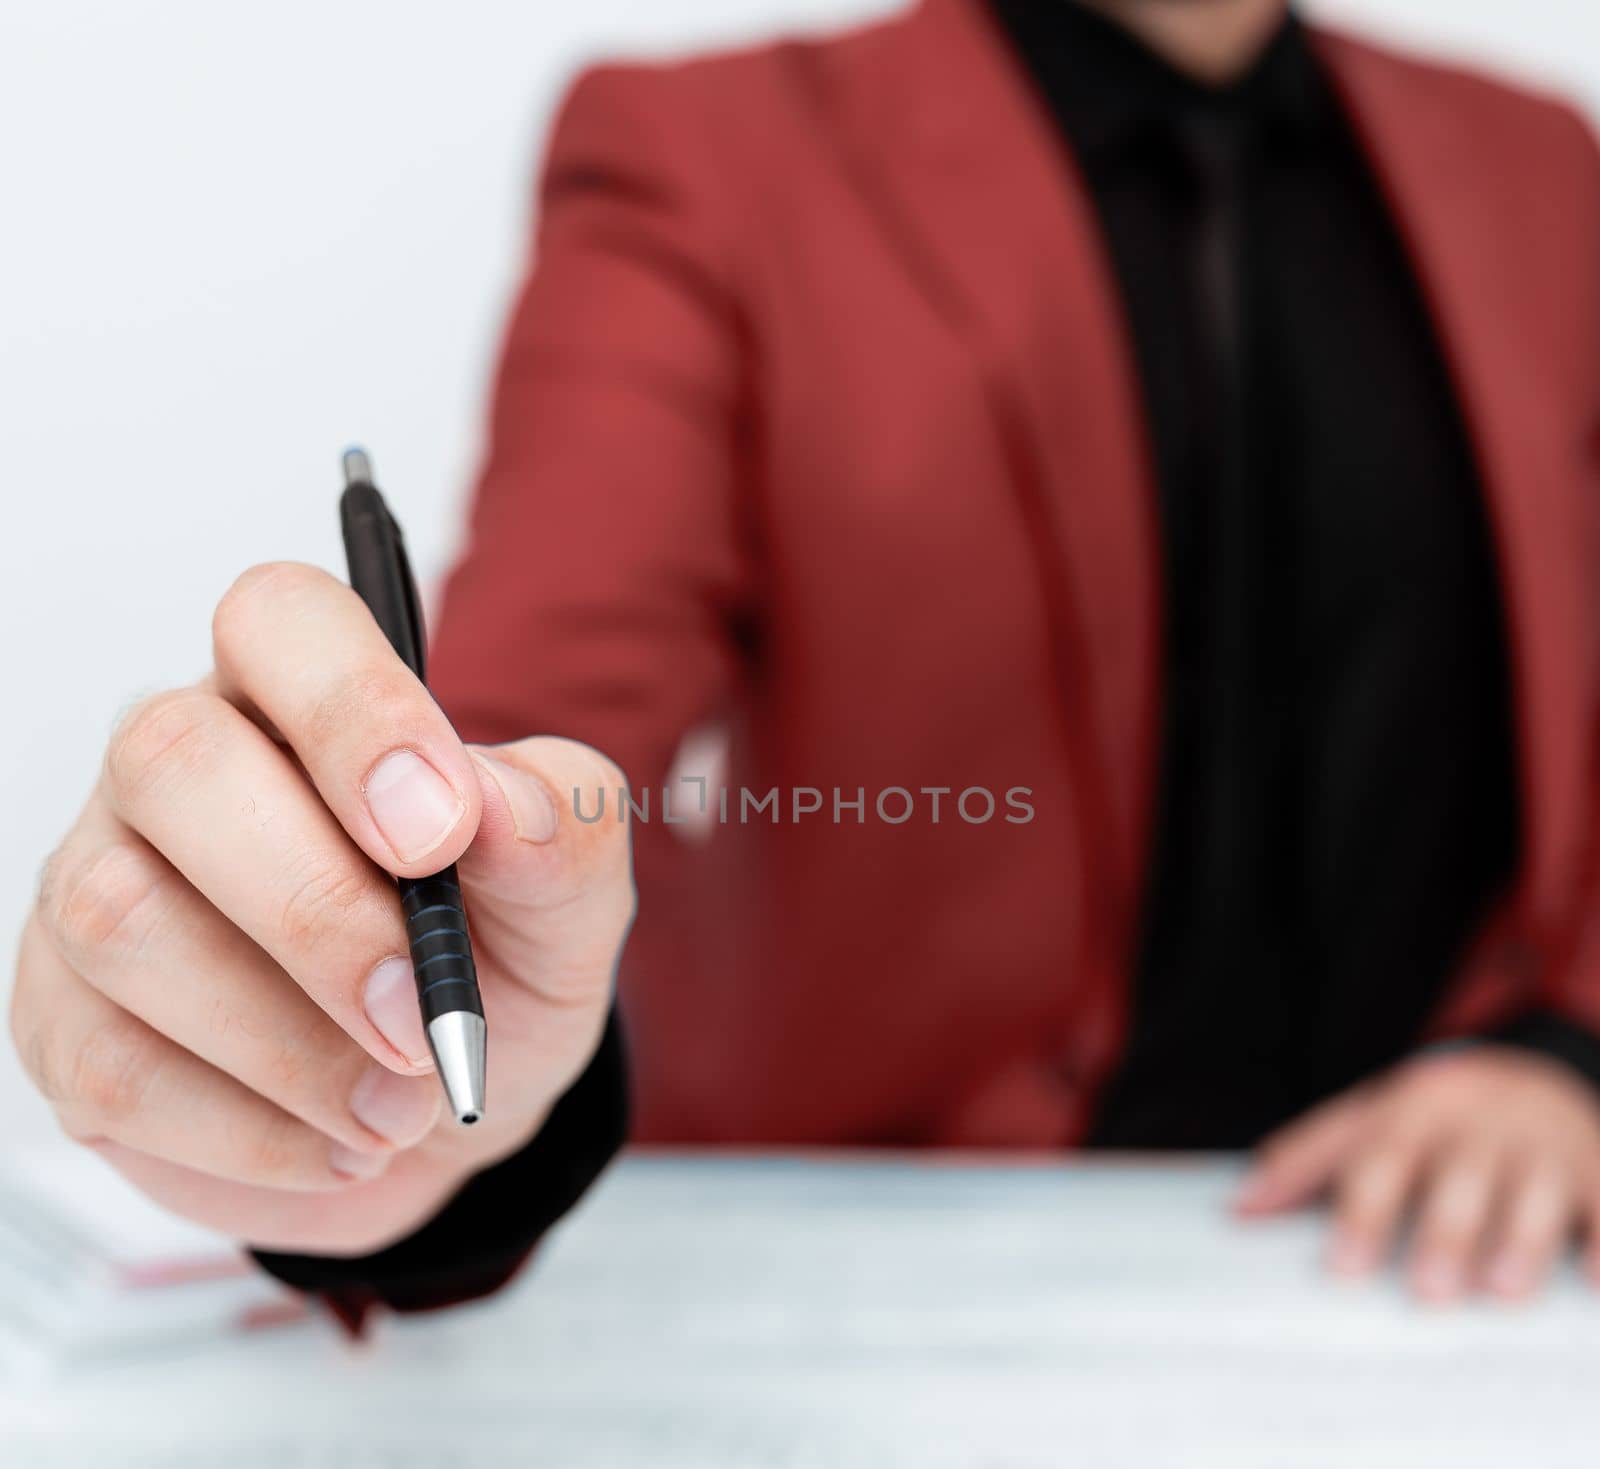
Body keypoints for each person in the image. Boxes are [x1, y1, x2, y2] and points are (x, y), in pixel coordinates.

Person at [13, 0, 1600, 1321]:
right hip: (890, 1277)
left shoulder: (1540, 171)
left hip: (1436, 1282)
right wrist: (405, 1017)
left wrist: (1570, 1051)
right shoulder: (712, 158)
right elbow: (540, 735)